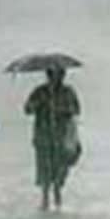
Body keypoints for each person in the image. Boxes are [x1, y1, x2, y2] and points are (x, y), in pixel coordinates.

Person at [24, 66, 81, 211]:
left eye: (60, 75)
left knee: (61, 167)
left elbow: (76, 110)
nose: (57, 78)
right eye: (53, 75)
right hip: (43, 136)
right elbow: (27, 109)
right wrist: (38, 104)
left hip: (61, 136)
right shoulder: (40, 92)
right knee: (44, 168)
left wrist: (62, 110)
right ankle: (45, 199)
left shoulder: (68, 92)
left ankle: (57, 195)